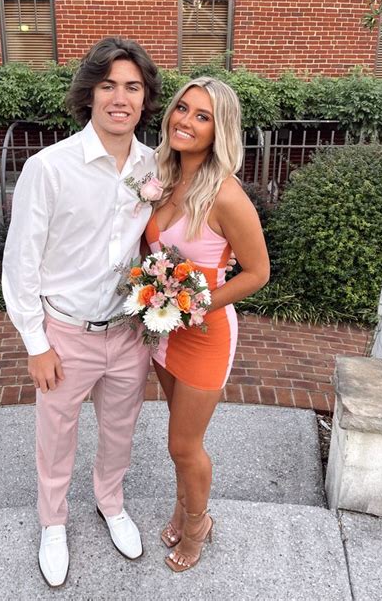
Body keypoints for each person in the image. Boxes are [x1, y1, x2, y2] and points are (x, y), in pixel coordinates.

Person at [2, 37, 162, 587]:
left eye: (133, 87)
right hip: (65, 333)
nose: (121, 98)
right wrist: (36, 343)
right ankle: (53, 521)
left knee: (121, 429)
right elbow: (20, 262)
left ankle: (110, 502)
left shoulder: (154, 167)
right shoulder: (49, 168)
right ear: (89, 94)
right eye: (108, 85)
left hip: (127, 332)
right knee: (56, 435)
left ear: (144, 99)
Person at [144, 77, 270, 572]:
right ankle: (183, 508)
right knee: (179, 441)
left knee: (183, 444)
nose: (186, 121)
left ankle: (198, 524)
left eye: (203, 116)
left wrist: (193, 307)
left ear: (221, 131)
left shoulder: (226, 196)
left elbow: (257, 273)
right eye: (183, 108)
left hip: (204, 334)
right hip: (162, 331)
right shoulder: (160, 176)